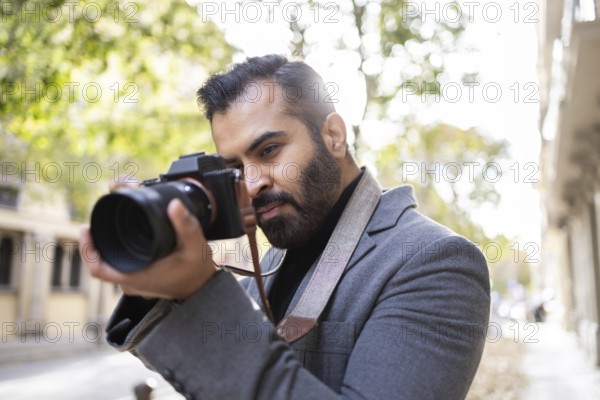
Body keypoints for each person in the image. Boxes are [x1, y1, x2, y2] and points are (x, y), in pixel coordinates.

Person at [80, 54, 490, 399]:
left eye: (269, 150)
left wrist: (201, 291)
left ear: (333, 135)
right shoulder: (267, 268)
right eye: (235, 168)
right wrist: (157, 287)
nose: (253, 182)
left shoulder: (433, 262)